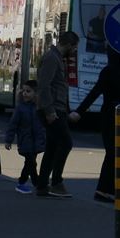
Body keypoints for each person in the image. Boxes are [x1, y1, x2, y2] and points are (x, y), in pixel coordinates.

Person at [70, 49, 120, 203]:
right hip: (110, 116)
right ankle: (103, 190)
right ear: (117, 54)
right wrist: (79, 111)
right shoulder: (109, 71)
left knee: (117, 153)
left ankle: (111, 189)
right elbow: (95, 92)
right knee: (112, 153)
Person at [35, 29, 80, 198]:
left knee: (53, 146)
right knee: (66, 143)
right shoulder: (52, 58)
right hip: (52, 109)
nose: (74, 51)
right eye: (74, 47)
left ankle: (42, 185)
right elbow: (44, 85)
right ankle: (56, 182)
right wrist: (49, 110)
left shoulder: (56, 58)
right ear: (68, 45)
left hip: (56, 108)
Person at [5, 79, 46, 194]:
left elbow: (43, 125)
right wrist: (8, 140)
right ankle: (29, 182)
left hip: (37, 141)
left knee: (30, 162)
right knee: (31, 162)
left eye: (28, 91)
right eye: (23, 91)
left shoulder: (39, 108)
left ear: (35, 93)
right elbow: (13, 124)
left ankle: (29, 183)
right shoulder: (20, 108)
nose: (24, 94)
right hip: (25, 140)